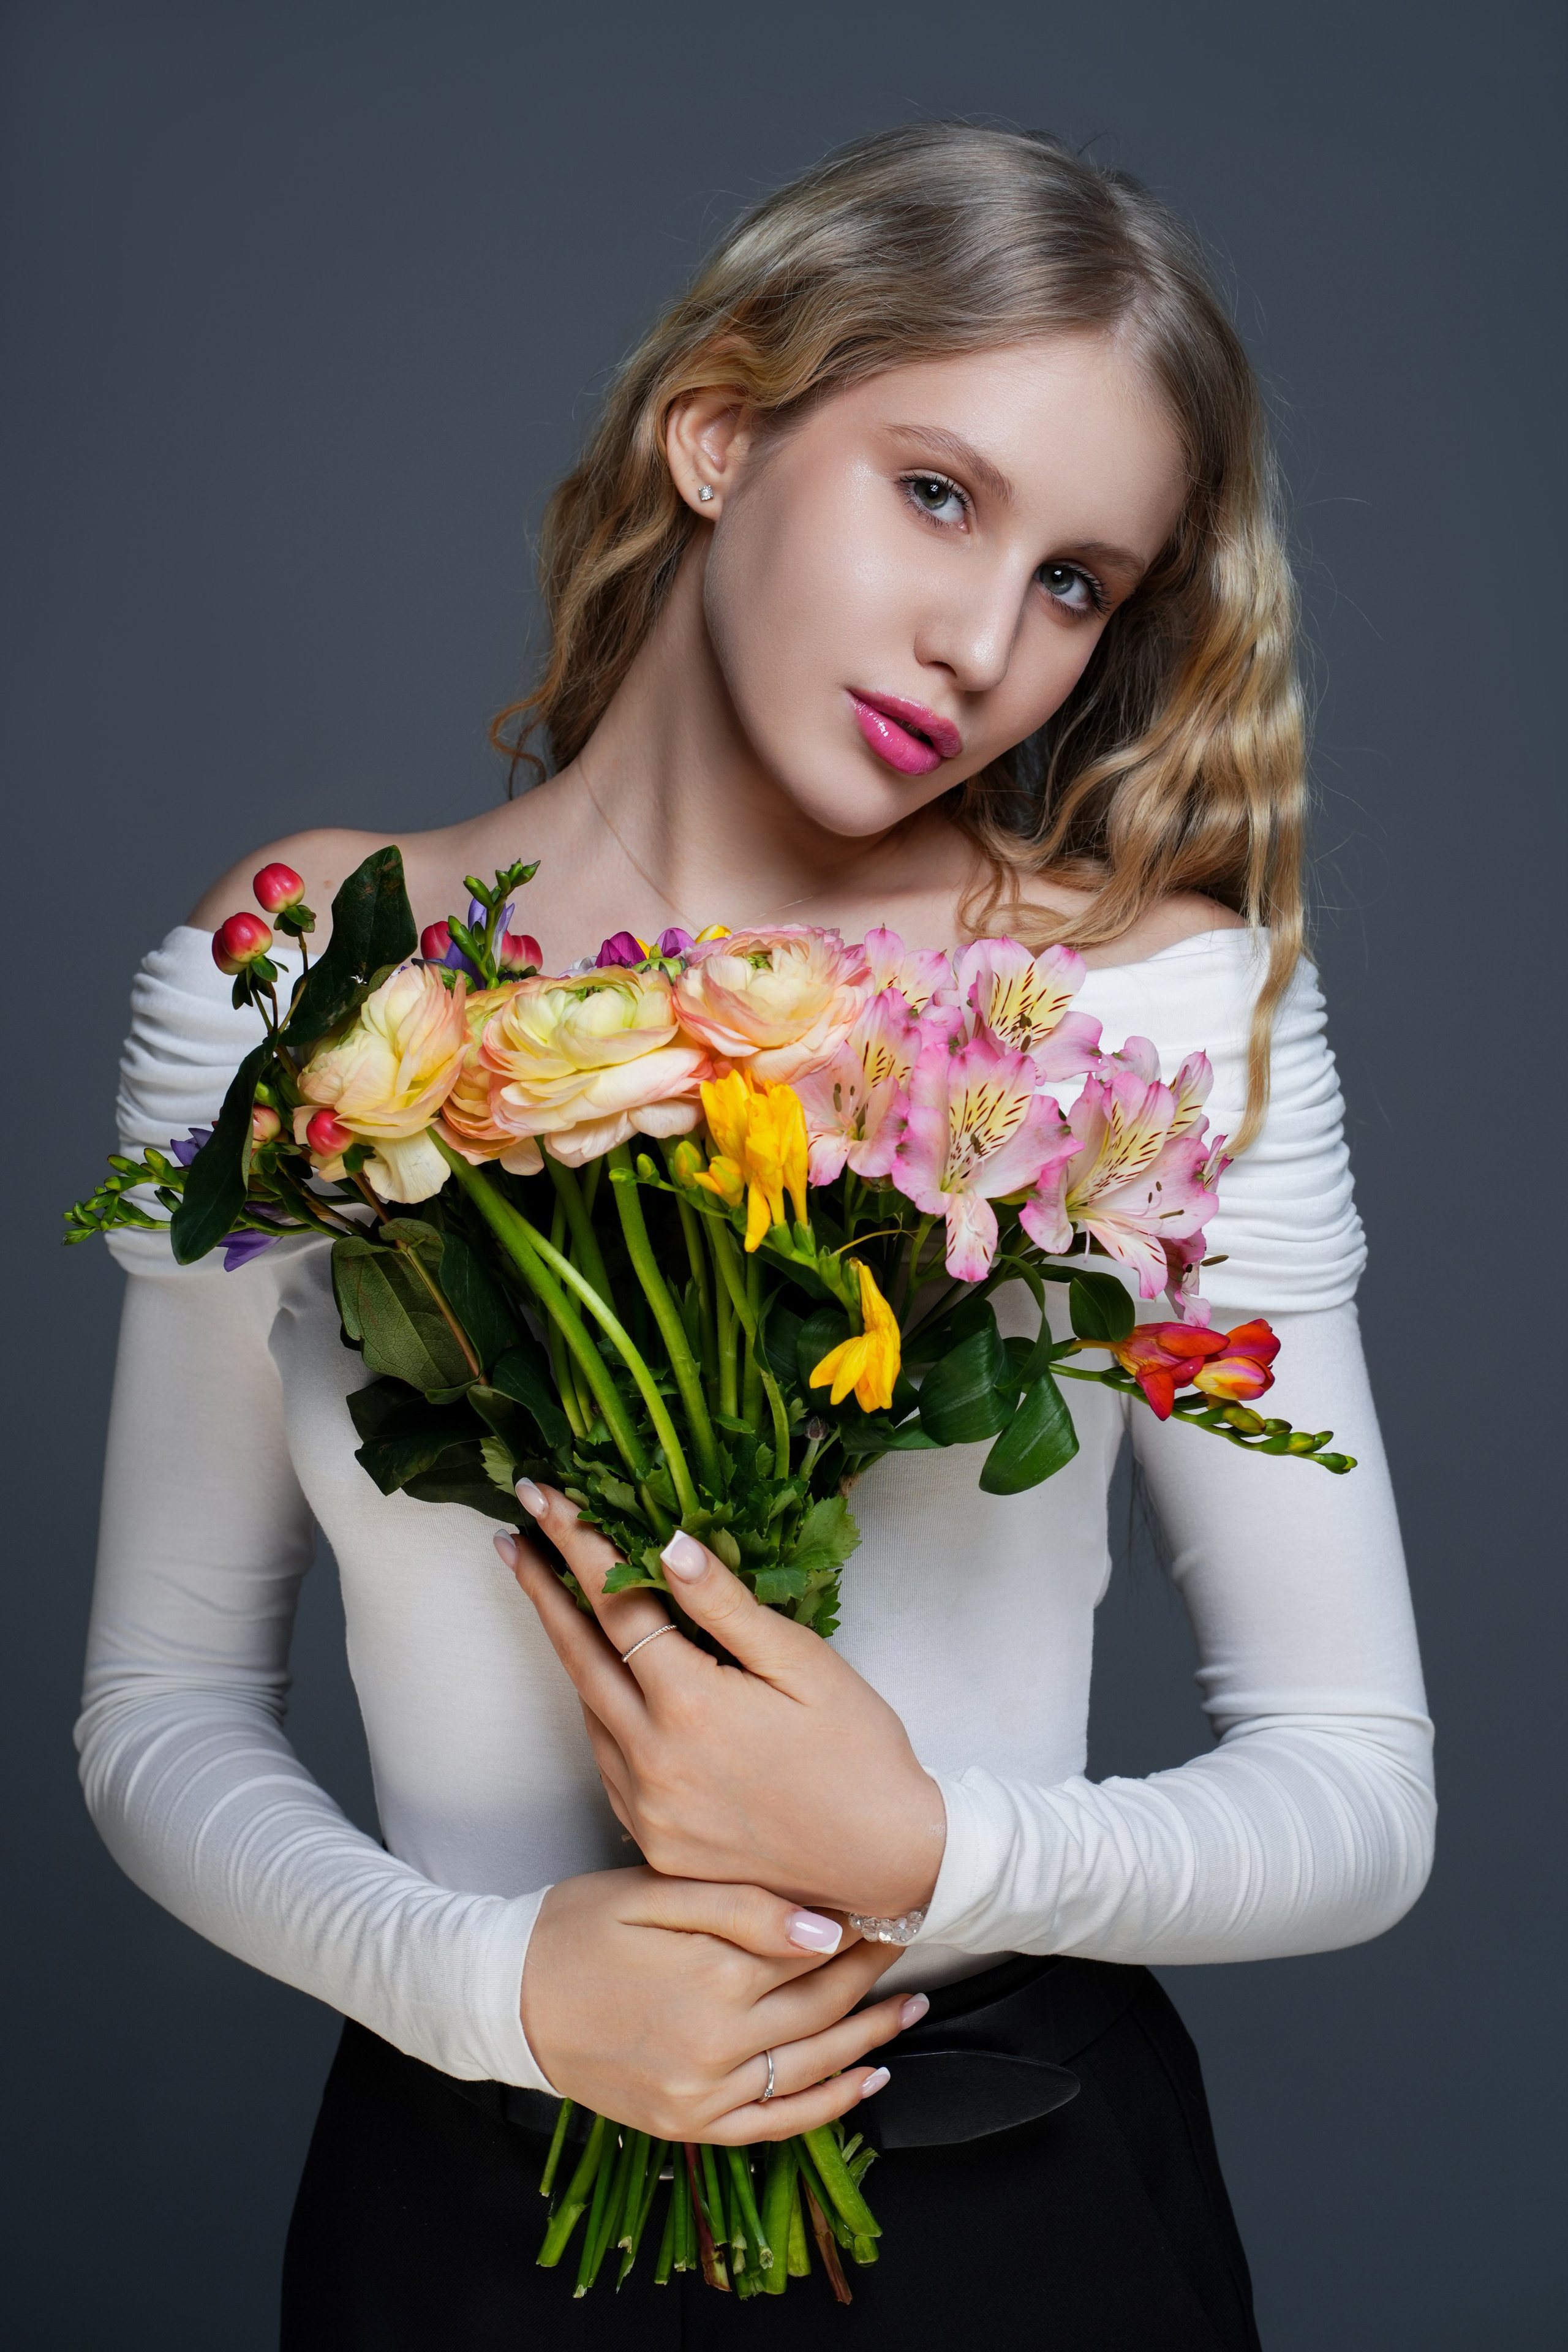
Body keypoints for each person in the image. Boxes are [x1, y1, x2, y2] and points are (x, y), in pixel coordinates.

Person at [81, 123, 1433, 2346]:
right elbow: (158, 1714)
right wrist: (496, 1987)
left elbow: (1357, 1794)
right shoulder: (297, 974)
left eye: (1081, 581)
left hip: (1027, 2229)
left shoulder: (1139, 1017)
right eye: (938, 492)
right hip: (460, 2224)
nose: (987, 642)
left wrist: (937, 1859)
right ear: (720, 431)